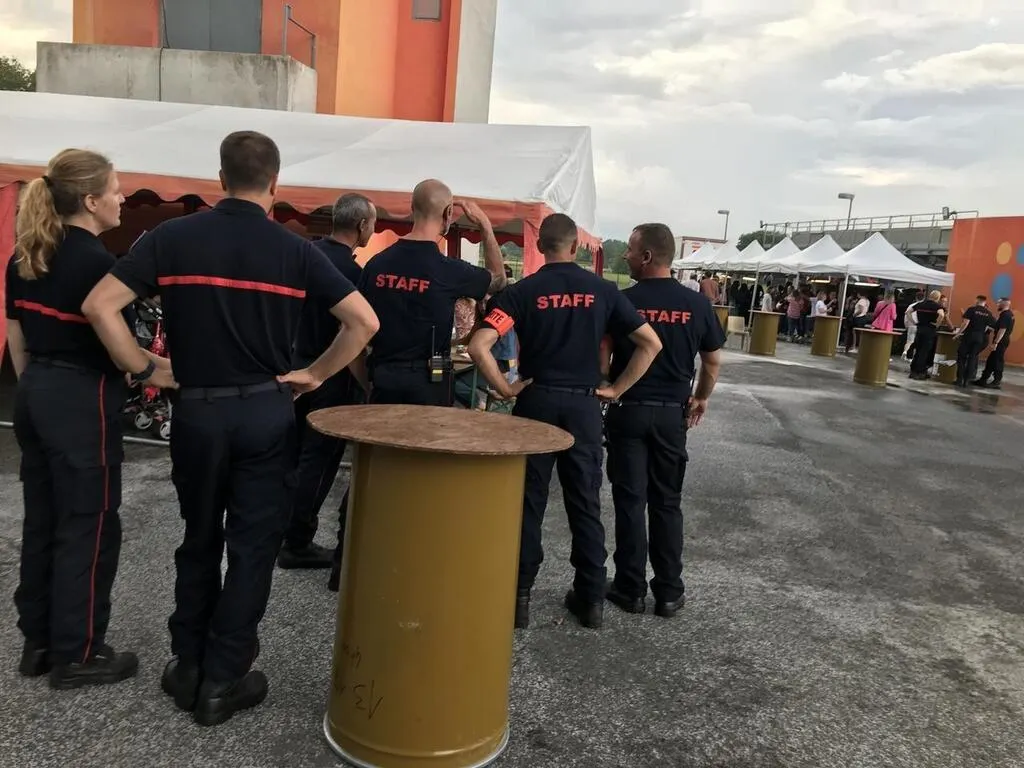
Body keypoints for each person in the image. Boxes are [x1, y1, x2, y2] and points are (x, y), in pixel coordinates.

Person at [81, 131, 380, 726]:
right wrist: (315, 375)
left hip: (198, 409)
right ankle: (225, 677)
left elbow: (98, 305)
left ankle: (187, 664)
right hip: (265, 409)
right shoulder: (296, 251)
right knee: (251, 547)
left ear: (219, 178)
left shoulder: (172, 237)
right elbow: (362, 322)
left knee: (198, 536)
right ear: (275, 184)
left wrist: (144, 367)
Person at [5, 150, 173, 690]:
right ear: (91, 200)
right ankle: (78, 653)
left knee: (45, 518)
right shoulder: (100, 265)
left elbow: (17, 337)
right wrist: (157, 371)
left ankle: (39, 641)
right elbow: (123, 349)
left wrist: (38, 385)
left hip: (34, 391)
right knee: (91, 526)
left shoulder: (25, 255)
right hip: (79, 397)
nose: (123, 197)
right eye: (117, 189)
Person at [468, 213, 662, 629]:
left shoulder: (523, 292)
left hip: (535, 402)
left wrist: (504, 388)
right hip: (583, 406)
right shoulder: (603, 292)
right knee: (585, 503)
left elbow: (480, 345)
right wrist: (616, 389)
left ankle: (518, 595)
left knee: (528, 502)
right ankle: (591, 597)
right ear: (576, 248)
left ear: (540, 247)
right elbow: (651, 343)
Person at [601, 223, 723, 620]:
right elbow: (712, 360)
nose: (627, 257)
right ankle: (669, 592)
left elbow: (603, 361)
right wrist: (700, 397)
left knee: (630, 501)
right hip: (673, 416)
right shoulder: (698, 305)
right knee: (667, 503)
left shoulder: (623, 302)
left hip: (628, 411)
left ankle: (629, 587)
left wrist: (608, 383)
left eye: (631, 251)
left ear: (648, 256)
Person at [277, 193, 376, 576]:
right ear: (362, 226)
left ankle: (283, 531)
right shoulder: (352, 274)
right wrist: (365, 385)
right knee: (317, 464)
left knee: (292, 458)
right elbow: (353, 337)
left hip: (293, 366)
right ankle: (296, 542)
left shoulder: (302, 256)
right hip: (329, 376)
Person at [352, 179, 507, 406]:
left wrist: (366, 384)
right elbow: (499, 279)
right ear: (447, 214)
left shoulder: (376, 265)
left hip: (383, 378)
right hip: (429, 382)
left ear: (412, 209)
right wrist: (485, 226)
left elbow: (355, 327)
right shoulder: (450, 270)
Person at [953, 295, 994, 388]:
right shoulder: (988, 313)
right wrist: (983, 330)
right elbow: (993, 326)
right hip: (979, 338)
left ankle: (959, 379)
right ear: (985, 302)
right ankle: (966, 381)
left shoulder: (971, 309)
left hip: (968, 336)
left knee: (961, 357)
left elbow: (965, 323)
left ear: (977, 300)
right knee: (972, 358)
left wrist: (958, 333)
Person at [974, 298, 1015, 389]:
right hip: (1002, 340)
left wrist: (996, 342)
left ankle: (996, 381)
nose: (997, 304)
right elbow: (999, 327)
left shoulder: (1005, 315)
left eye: (999, 303)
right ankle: (983, 379)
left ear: (1004, 304)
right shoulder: (1009, 314)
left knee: (997, 361)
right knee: (991, 360)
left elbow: (1002, 330)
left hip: (1001, 341)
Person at [909, 290, 945, 380]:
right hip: (929, 330)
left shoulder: (921, 304)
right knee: (925, 351)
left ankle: (913, 371)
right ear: (937, 298)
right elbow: (941, 315)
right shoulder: (937, 306)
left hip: (920, 328)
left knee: (918, 350)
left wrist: (914, 321)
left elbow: (908, 312)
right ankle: (920, 372)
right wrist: (937, 324)